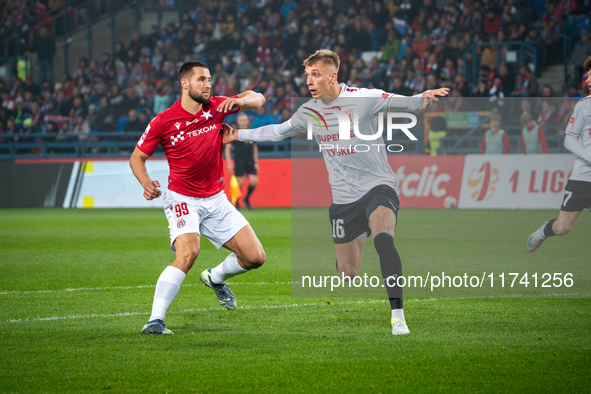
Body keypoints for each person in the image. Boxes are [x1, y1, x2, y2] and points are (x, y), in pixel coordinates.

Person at [222, 49, 448, 335]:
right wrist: (237, 134)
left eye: (315, 74)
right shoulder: (309, 111)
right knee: (347, 274)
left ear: (333, 75)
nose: (309, 81)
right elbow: (278, 132)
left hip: (378, 185)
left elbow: (406, 104)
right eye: (307, 76)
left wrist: (423, 99)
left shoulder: (363, 99)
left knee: (383, 240)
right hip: (343, 198)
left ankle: (398, 315)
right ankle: (360, 233)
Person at [129, 60, 266, 335]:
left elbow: (258, 99)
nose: (208, 84)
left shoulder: (217, 106)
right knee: (189, 252)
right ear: (185, 83)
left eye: (210, 79)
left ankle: (215, 278)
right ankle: (155, 320)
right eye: (202, 79)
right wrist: (146, 183)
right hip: (182, 198)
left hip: (216, 200)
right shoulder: (163, 120)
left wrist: (240, 99)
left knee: (255, 257)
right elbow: (137, 158)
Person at [527, 57, 591, 252]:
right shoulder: (584, 106)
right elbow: (569, 139)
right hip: (582, 178)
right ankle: (545, 230)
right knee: (563, 227)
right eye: (587, 76)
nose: (587, 80)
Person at [224, 113, 259, 210]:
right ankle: (237, 202)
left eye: (244, 120)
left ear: (247, 121)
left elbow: (254, 147)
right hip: (239, 160)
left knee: (254, 181)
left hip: (250, 160)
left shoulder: (251, 132)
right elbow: (227, 148)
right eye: (241, 120)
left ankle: (246, 198)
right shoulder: (234, 133)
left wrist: (256, 161)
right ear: (238, 122)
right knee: (240, 182)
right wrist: (229, 162)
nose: (243, 122)